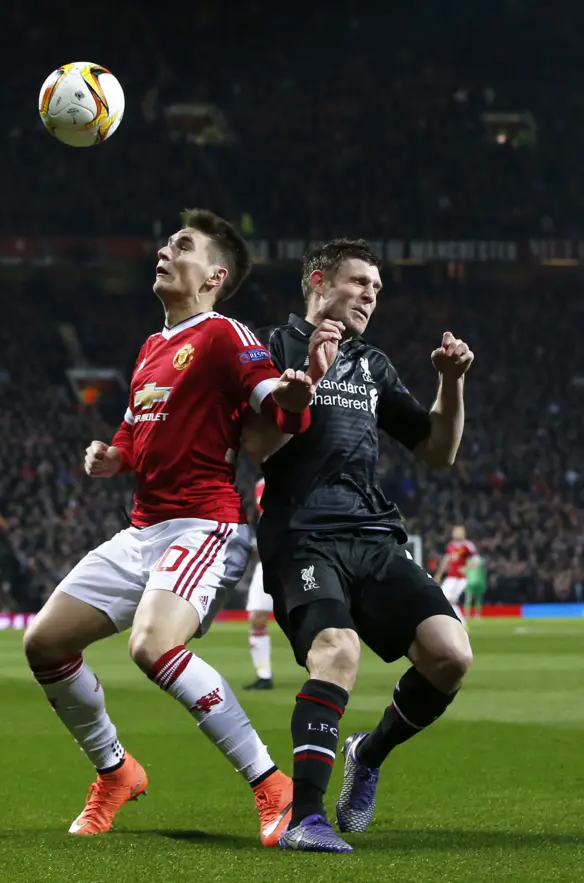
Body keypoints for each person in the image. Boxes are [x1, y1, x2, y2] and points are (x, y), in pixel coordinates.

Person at [23, 209, 332, 846]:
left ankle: (271, 785)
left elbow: (269, 395)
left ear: (215, 275)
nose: (165, 250)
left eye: (182, 245)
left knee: (151, 645)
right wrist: (114, 454)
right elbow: (139, 426)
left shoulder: (222, 332)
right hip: (143, 532)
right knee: (44, 644)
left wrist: (297, 395)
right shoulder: (152, 345)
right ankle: (115, 771)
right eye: (166, 242)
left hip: (205, 524)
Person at [242, 238, 475, 853]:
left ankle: (368, 754)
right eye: (360, 282)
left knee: (451, 656)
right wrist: (311, 380)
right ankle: (306, 819)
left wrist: (449, 384)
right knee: (337, 650)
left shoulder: (372, 364)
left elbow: (439, 451)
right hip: (302, 535)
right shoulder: (268, 348)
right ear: (319, 281)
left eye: (377, 287)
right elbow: (255, 445)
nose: (372, 295)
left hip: (373, 533)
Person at [244, 478, 274, 690]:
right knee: (256, 617)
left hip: (297, 558)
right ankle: (264, 676)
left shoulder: (299, 475)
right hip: (267, 561)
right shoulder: (261, 484)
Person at [434, 525, 478, 623]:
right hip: (450, 577)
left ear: (464, 533)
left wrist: (467, 568)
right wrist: (439, 574)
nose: (456, 533)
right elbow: (446, 560)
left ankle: (458, 622)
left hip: (460, 578)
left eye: (459, 531)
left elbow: (476, 561)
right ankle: (460, 623)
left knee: (448, 600)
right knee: (446, 600)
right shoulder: (451, 546)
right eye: (455, 531)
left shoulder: (467, 545)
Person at [464, 551, 487, 619]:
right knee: (477, 598)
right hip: (478, 581)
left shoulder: (468, 560)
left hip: (470, 581)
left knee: (469, 599)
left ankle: (468, 615)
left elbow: (465, 569)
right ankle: (477, 615)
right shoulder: (482, 560)